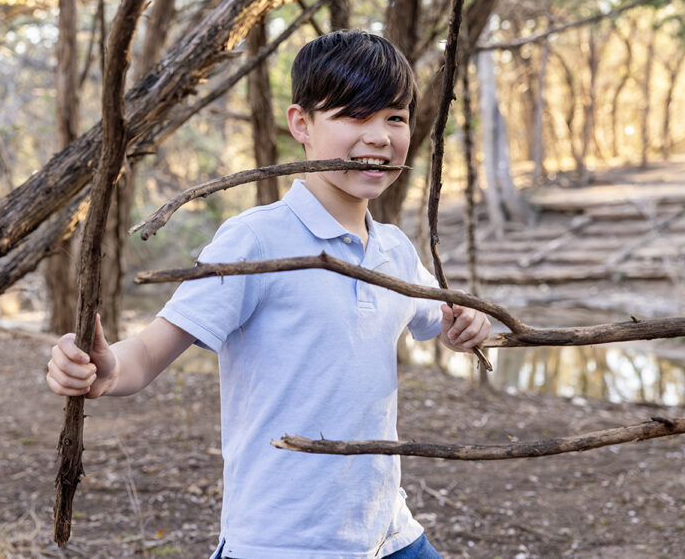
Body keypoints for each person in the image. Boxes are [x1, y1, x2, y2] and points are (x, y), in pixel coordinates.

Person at [47, 30, 490, 558]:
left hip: (387, 533)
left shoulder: (393, 249)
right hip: (282, 541)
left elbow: (443, 319)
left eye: (395, 117)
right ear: (300, 123)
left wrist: (467, 326)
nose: (379, 137)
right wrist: (105, 369)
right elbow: (147, 352)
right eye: (354, 115)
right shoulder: (256, 239)